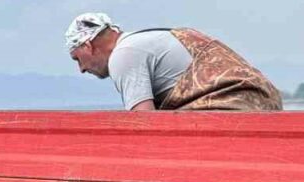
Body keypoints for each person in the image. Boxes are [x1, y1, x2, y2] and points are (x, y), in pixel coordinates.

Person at [65, 12, 282, 111]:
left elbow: (144, 123)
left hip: (231, 109)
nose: (81, 69)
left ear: (88, 46)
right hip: (265, 102)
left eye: (77, 59)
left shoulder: (124, 54)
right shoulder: (152, 38)